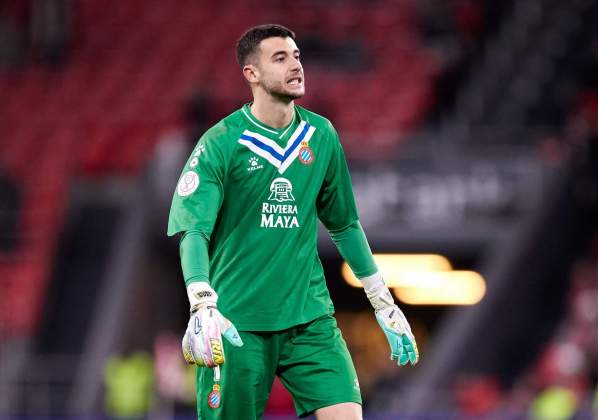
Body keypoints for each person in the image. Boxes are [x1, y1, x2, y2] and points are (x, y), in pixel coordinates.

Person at [167, 24, 419, 420]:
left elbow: (345, 225)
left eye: (297, 56)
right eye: (280, 58)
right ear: (251, 74)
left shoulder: (321, 135)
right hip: (237, 321)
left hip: (309, 318)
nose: (295, 65)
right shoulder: (220, 142)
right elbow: (192, 229)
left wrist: (382, 301)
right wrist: (201, 301)